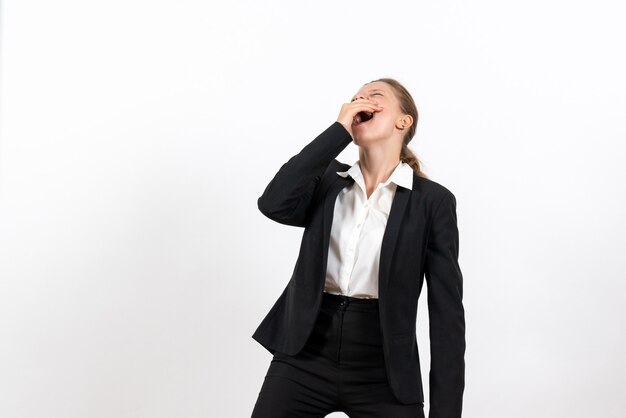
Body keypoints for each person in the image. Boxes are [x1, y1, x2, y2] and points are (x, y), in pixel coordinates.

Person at [250, 78, 465, 418]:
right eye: (356, 98)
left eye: (374, 97)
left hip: (383, 369)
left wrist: (446, 413)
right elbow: (274, 203)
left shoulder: (432, 202)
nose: (361, 101)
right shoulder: (327, 182)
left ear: (403, 121)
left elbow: (447, 315)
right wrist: (338, 131)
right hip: (304, 355)